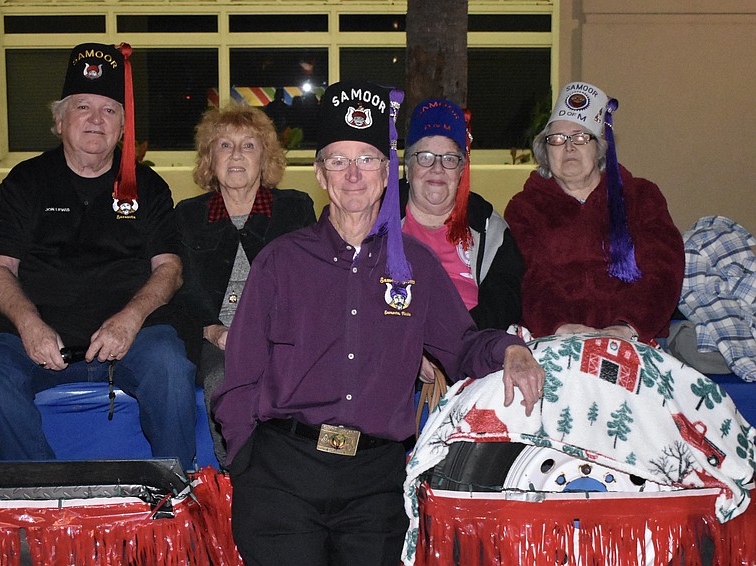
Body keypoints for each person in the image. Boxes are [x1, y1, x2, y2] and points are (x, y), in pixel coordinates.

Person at [212, 80, 545, 566]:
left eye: (367, 159)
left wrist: (510, 350)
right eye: (338, 161)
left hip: (374, 488)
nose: (353, 175)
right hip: (283, 478)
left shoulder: (416, 266)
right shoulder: (280, 262)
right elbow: (239, 378)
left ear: (388, 173)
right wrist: (247, 464)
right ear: (320, 174)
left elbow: (463, 346)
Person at [0, 43, 197, 471]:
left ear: (122, 127)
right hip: (38, 339)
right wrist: (29, 325)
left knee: (169, 364)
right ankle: (38, 488)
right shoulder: (25, 181)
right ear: (59, 121)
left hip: (132, 339)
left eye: (109, 110)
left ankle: (175, 488)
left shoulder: (148, 186)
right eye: (82, 106)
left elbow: (170, 268)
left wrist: (130, 320)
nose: (95, 119)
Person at [175, 103, 316, 467]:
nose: (236, 154)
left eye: (248, 145)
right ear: (210, 159)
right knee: (224, 378)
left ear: (264, 157)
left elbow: (309, 285)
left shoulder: (294, 208)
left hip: (282, 334)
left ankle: (294, 470)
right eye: (225, 145)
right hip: (215, 337)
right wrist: (213, 330)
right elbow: (184, 289)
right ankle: (238, 472)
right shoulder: (189, 214)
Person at [504, 81, 684, 343]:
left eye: (580, 137)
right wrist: (561, 327)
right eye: (557, 139)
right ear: (545, 151)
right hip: (556, 336)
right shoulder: (525, 209)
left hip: (634, 335)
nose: (569, 147)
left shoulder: (641, 197)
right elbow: (528, 279)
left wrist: (628, 326)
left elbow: (664, 271)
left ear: (599, 148)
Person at [401, 98, 524, 331]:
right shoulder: (378, 220)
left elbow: (504, 305)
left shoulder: (489, 228)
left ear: (461, 171)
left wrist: (456, 339)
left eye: (449, 159)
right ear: (408, 167)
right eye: (425, 157)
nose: (437, 168)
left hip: (471, 342)